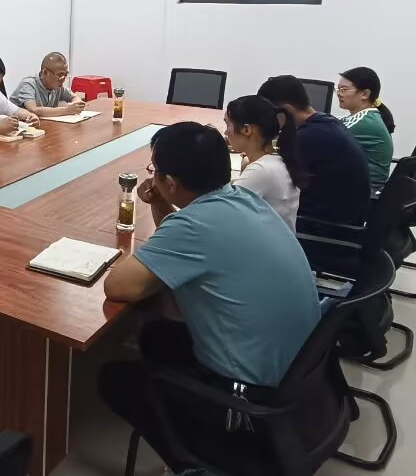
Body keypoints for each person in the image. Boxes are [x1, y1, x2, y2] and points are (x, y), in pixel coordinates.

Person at [99, 122, 320, 472]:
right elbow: (182, 244)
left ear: (171, 182)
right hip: (300, 377)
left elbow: (119, 287)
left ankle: (192, 464)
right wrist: (162, 203)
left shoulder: (195, 226)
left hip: (251, 398)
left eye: (155, 171)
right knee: (156, 335)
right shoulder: (244, 199)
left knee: (114, 378)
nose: (153, 177)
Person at [257, 75, 371, 225]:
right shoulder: (326, 122)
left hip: (324, 227)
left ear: (286, 110)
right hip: (344, 219)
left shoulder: (308, 137)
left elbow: (273, 180)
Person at [224, 95, 305, 231]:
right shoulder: (278, 161)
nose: (226, 132)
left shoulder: (260, 170)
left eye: (228, 125)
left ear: (247, 130)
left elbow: (221, 215)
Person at [338, 67, 395, 189]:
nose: (339, 93)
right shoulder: (363, 117)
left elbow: (327, 138)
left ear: (365, 94)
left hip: (363, 193)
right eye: (338, 89)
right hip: (357, 189)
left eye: (344, 89)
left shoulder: (366, 122)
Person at [9, 52, 86, 118]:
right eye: (60, 75)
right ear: (45, 72)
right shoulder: (28, 84)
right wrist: (67, 110)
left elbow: (74, 97)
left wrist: (76, 105)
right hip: (18, 126)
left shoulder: (57, 86)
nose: (63, 79)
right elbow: (33, 110)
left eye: (66, 75)